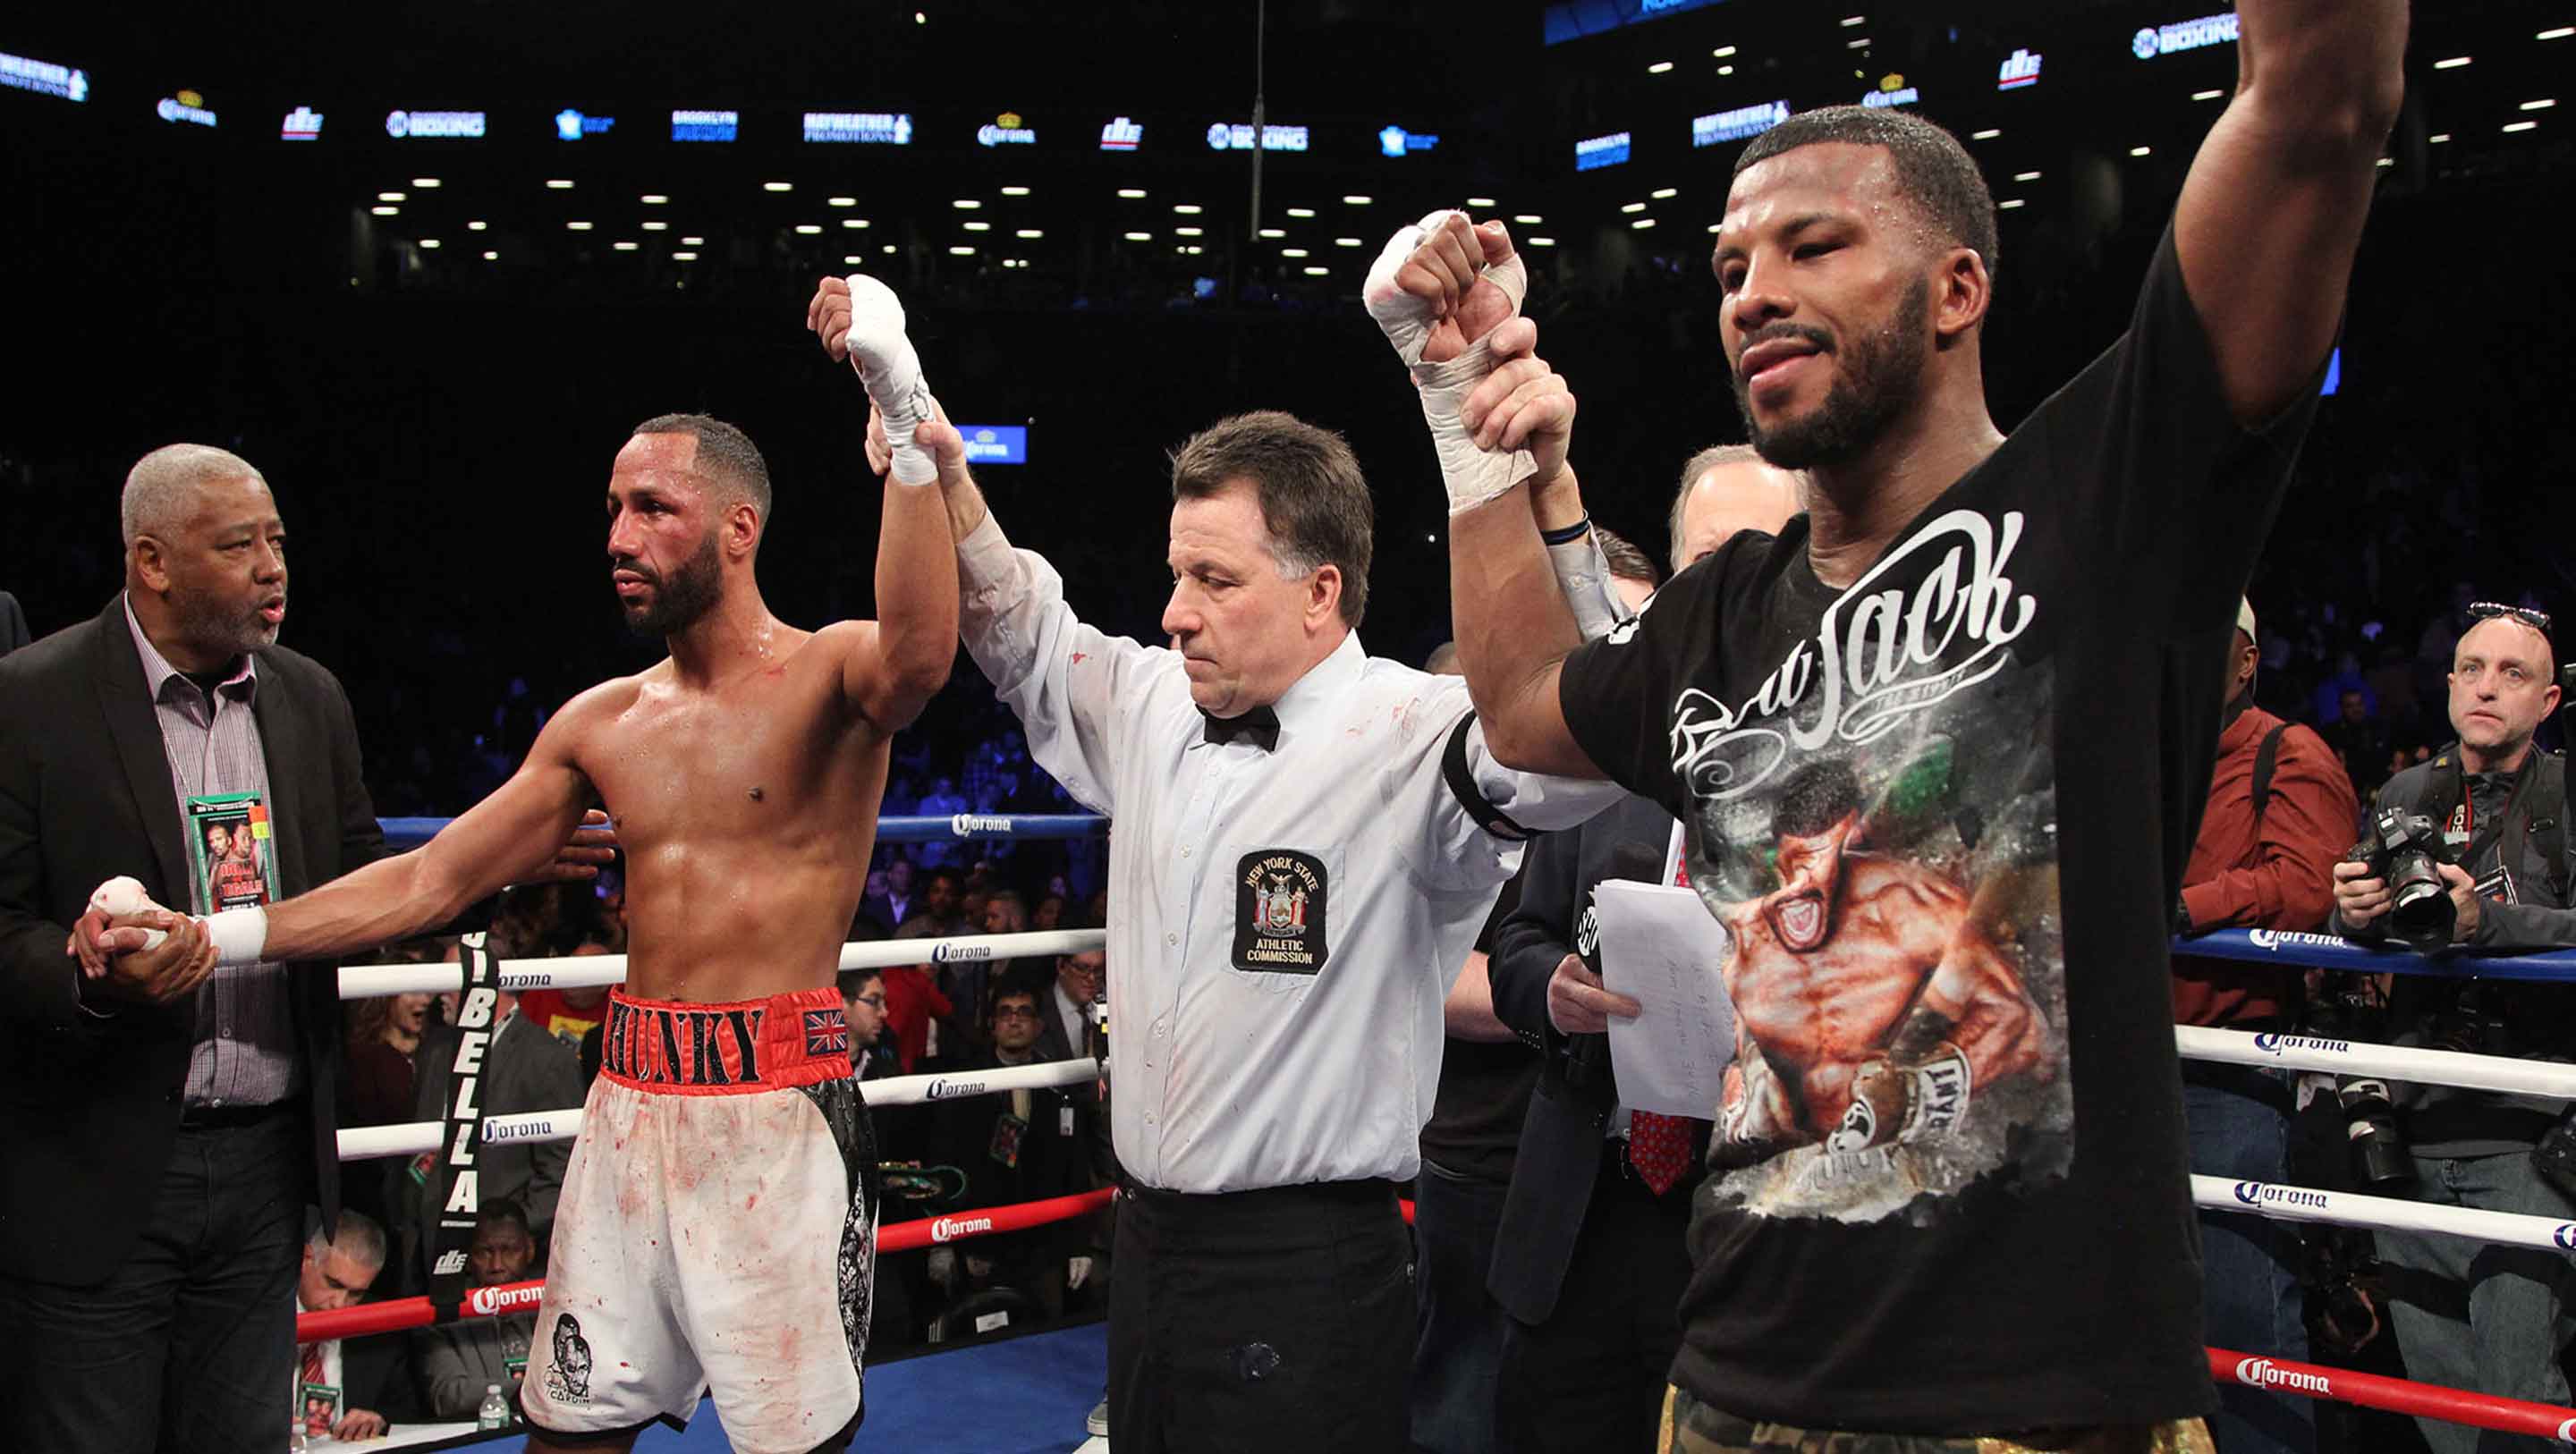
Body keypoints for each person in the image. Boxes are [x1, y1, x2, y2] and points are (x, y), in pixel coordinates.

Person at [1417, 0, 2402, 1434]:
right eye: (1730, 265)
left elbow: (2319, 107)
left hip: (2043, 1402)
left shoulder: (2106, 503)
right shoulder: (1718, 611)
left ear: (1956, 289)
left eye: (1814, 246)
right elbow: (1513, 707)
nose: (1751, 290)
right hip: (1735, 1379)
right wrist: (1460, 402)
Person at [86, 277, 961, 1453]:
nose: (616, 536)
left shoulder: (828, 676)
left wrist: (902, 411)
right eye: (611, 508)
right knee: (565, 1432)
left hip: (778, 1117)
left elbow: (920, 653)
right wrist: (219, 934)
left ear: (739, 530)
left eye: (652, 507)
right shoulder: (602, 719)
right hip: (627, 1110)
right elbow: (431, 877)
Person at [809, 279, 1623, 1454]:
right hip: (1148, 1250)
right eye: (1178, 572)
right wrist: (912, 413)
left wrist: (1475, 432)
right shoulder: (1151, 702)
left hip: (1312, 1266)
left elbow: (1579, 750)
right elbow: (1016, 625)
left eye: (1215, 580)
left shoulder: (1413, 732)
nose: (1176, 611)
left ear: (1321, 593)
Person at [0, 443, 604, 1453]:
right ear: (151, 561)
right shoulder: (33, 697)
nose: (273, 567)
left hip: (264, 1170)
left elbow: (364, 877)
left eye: (277, 541)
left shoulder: (309, 696)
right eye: (239, 546)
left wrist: (494, 867)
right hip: (94, 1163)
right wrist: (88, 970)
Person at [1479, 452, 1796, 1454]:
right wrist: (1553, 993)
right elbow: (1519, 937)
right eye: (1708, 558)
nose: (1732, 584)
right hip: (1582, 1205)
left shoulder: (1837, 785)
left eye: (1762, 556)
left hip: (1744, 1227)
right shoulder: (1607, 752)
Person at [2331, 603, 2576, 1449]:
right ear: (2447, 683)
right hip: (2414, 1123)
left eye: (2513, 675)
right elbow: (2368, 934)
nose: (2486, 687)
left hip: (2528, 1133)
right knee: (2439, 1401)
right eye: (2472, 668)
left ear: (2547, 703)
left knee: (2517, 1396)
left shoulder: (2567, 795)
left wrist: (2489, 927)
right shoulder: (2406, 792)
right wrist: (2353, 913)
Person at [2172, 598, 2358, 1454]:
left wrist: (2184, 907)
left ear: (2245, 662)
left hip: (2232, 1072)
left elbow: (2310, 886)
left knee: (2247, 1313)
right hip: (2124, 1065)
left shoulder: (2291, 750)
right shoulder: (2137, 759)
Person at [926, 968, 1100, 1321]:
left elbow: (1076, 1167)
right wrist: (942, 1243)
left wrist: (1079, 1245)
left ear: (1039, 1025)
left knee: (1045, 1347)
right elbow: (943, 1163)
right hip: (981, 1248)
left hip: (1044, 1249)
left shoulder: (1060, 1086)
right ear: (992, 1024)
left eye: (1025, 1013)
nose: (1015, 1021)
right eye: (1005, 1013)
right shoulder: (964, 1089)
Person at [391, 973, 584, 1290]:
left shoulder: (547, 1058)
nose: (441, 993)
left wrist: (503, 1239)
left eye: (452, 979)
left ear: (486, 988)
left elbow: (561, 1172)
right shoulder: (438, 1047)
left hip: (494, 1263)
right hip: (423, 1243)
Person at [292, 1210, 414, 1443]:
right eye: (333, 1284)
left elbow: (408, 1412)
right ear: (306, 1259)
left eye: (356, 1293)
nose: (339, 1304)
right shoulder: (255, 1322)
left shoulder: (381, 1330)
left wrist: (378, 1420)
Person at [414, 1203, 542, 1418]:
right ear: (467, 1257)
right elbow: (449, 1396)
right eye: (485, 1252)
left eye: (510, 1250)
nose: (497, 1265)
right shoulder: (444, 1315)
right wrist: (532, 1392)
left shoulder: (554, 1303)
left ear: (529, 1250)